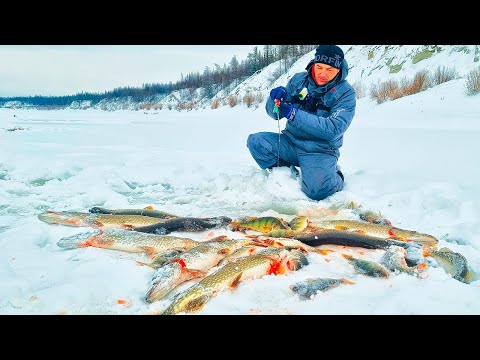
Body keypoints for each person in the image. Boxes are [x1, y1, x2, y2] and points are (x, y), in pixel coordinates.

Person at [247, 45, 356, 201]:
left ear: (339, 70)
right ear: (314, 63)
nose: (323, 73)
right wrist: (274, 100)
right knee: (256, 142)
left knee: (318, 192)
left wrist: (293, 114)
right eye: (320, 67)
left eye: (330, 70)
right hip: (290, 142)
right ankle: (286, 173)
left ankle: (334, 174)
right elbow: (274, 115)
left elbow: (333, 128)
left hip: (319, 150)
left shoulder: (346, 93)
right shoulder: (299, 80)